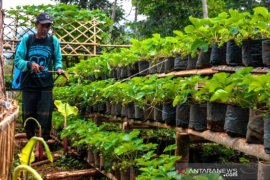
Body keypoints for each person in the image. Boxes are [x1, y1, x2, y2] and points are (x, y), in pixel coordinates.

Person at [14, 12, 63, 140]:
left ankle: (42, 146)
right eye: (43, 26)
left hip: (45, 86)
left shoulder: (53, 41)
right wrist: (29, 64)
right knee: (28, 116)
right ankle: (31, 143)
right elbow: (17, 60)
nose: (46, 29)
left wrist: (59, 68)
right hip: (29, 85)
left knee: (45, 117)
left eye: (48, 26)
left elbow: (58, 59)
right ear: (36, 25)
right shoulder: (27, 40)